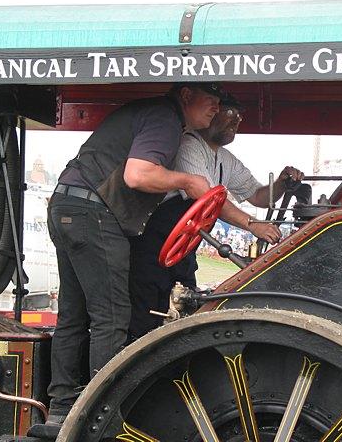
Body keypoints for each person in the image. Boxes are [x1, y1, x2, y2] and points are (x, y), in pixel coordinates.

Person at [44, 82, 221, 426]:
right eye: (210, 98)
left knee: (73, 314)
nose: (216, 106)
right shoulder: (165, 117)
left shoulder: (151, 112)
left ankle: (62, 407)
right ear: (186, 95)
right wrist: (187, 181)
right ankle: (104, 415)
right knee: (112, 316)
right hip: (94, 211)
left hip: (66, 205)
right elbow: (137, 175)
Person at [128, 92, 304, 340]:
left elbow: (258, 195)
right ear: (212, 113)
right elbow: (209, 199)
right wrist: (252, 225)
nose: (236, 122)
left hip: (183, 252)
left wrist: (283, 184)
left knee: (185, 311)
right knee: (146, 315)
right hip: (153, 249)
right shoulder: (188, 145)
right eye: (230, 113)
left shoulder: (225, 159)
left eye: (239, 117)